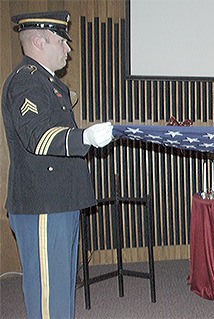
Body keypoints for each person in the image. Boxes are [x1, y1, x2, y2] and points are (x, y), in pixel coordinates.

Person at [2, 11, 114, 317]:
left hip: (59, 201)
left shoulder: (48, 84)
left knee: (61, 287)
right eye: (62, 41)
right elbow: (36, 137)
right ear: (40, 40)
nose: (68, 48)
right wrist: (84, 137)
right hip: (43, 205)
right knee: (47, 293)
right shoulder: (27, 82)